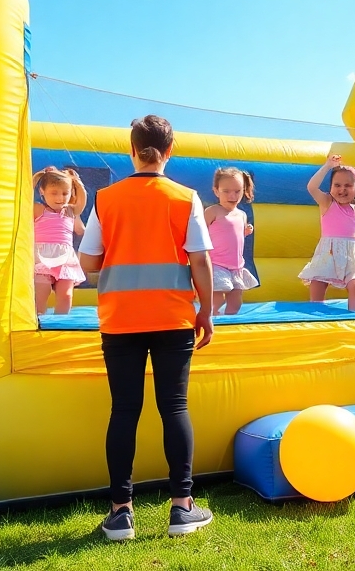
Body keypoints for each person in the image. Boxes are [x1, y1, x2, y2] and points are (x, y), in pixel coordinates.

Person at [76, 115, 215, 541]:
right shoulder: (185, 197)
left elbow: (88, 262)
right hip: (173, 317)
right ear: (170, 151)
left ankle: (121, 513)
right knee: (174, 407)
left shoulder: (106, 198)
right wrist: (207, 312)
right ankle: (182, 508)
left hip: (120, 320)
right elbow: (200, 260)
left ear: (131, 150)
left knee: (124, 410)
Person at [298, 154, 355, 311]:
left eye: (348, 185)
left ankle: (354, 315)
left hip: (350, 257)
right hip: (328, 253)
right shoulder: (327, 203)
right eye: (337, 185)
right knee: (317, 284)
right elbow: (312, 187)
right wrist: (327, 166)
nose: (342, 189)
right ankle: (316, 313)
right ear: (331, 187)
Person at [32, 167, 88, 316]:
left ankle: (60, 322)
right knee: (40, 294)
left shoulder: (70, 211)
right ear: (42, 192)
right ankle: (38, 320)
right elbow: (23, 199)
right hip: (42, 257)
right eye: (54, 193)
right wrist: (36, 178)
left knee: (66, 295)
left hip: (65, 258)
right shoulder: (38, 209)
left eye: (65, 193)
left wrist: (77, 183)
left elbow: (81, 202)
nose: (60, 198)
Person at [206, 167, 258, 315]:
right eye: (226, 191)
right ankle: (212, 317)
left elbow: (233, 237)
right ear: (216, 191)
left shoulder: (242, 215)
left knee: (236, 303)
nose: (232, 196)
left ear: (243, 191)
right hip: (216, 263)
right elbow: (201, 232)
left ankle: (229, 322)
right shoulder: (212, 211)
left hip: (236, 265)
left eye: (237, 191)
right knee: (217, 300)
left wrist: (245, 232)